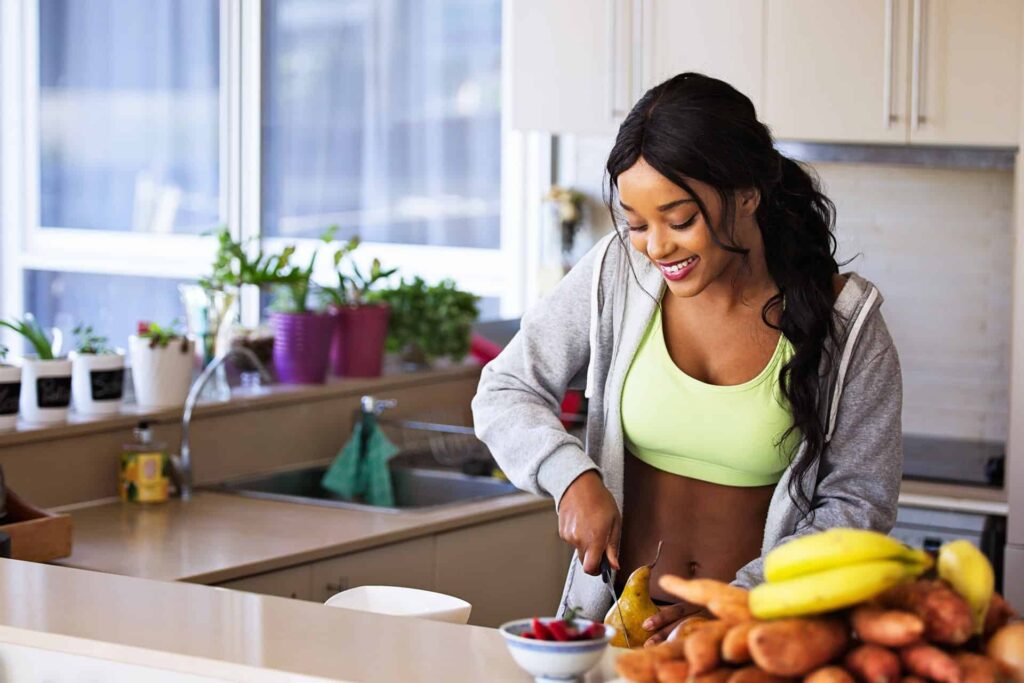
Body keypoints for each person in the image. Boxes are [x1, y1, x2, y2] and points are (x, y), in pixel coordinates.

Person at [472, 73, 902, 645]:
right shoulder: (617, 272)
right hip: (616, 635)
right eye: (636, 223)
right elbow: (505, 388)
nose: (656, 247)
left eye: (679, 220)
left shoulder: (845, 322)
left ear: (747, 194)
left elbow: (857, 507)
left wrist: (737, 606)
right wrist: (571, 476)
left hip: (756, 642)